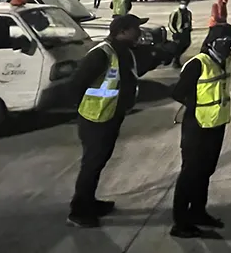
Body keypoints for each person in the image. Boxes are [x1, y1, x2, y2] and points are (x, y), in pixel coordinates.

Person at [68, 14, 163, 228]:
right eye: (135, 28)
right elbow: (76, 84)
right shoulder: (101, 54)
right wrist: (81, 111)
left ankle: (89, 202)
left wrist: (158, 56)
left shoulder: (123, 51)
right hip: (95, 118)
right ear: (122, 31)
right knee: (92, 164)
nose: (139, 32)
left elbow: (132, 74)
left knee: (99, 162)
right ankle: (78, 212)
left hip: (110, 115)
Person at [170, 23, 231, 238]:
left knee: (206, 171)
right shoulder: (198, 63)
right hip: (196, 126)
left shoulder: (223, 61)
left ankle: (198, 212)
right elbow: (178, 92)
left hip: (216, 124)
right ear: (212, 42)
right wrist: (196, 106)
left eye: (230, 41)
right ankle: (180, 223)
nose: (228, 45)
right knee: (190, 173)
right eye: (224, 41)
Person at [168, 0, 194, 69]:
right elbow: (170, 24)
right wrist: (175, 32)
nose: (183, 5)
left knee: (187, 44)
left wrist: (189, 28)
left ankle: (176, 58)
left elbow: (189, 21)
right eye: (182, 3)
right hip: (178, 33)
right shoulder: (175, 12)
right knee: (178, 47)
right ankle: (175, 61)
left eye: (185, 3)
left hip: (186, 32)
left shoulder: (188, 12)